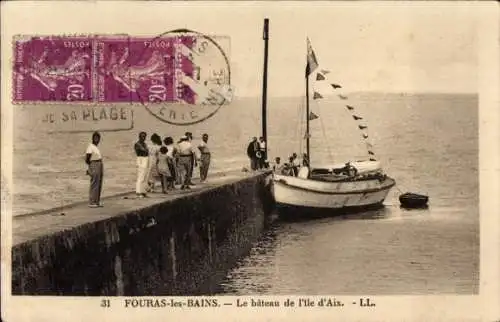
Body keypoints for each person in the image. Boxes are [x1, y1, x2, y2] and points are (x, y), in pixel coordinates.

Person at [85, 131, 103, 207]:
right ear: (92, 138)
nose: (97, 140)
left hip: (99, 164)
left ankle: (96, 201)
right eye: (95, 138)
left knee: (99, 183)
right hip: (94, 164)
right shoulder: (90, 146)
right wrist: (91, 167)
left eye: (98, 138)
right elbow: (87, 159)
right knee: (94, 183)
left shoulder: (96, 147)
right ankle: (92, 202)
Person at [134, 131, 149, 198]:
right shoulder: (137, 144)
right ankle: (138, 191)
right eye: (142, 136)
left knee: (144, 176)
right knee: (140, 175)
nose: (144, 138)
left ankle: (143, 191)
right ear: (139, 137)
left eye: (144, 136)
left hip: (145, 159)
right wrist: (145, 150)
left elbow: (146, 151)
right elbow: (144, 150)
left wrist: (146, 150)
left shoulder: (144, 144)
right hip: (141, 159)